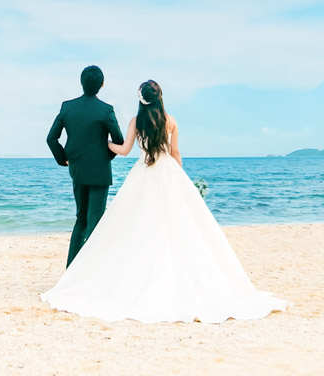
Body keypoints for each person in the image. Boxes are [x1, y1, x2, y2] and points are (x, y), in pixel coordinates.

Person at [42, 80, 286, 324]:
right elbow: (175, 152)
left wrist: (104, 144)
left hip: (143, 173)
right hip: (168, 172)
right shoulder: (171, 121)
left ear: (141, 99)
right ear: (159, 97)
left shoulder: (136, 122)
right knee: (175, 225)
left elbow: (124, 150)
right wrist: (181, 179)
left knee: (138, 225)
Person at [46, 65, 125, 265]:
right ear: (102, 84)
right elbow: (119, 141)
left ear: (81, 83)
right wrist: (105, 156)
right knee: (95, 223)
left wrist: (64, 159)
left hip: (78, 170)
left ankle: (71, 269)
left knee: (81, 220)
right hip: (100, 174)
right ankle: (89, 271)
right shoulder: (106, 110)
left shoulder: (67, 107)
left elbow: (51, 139)